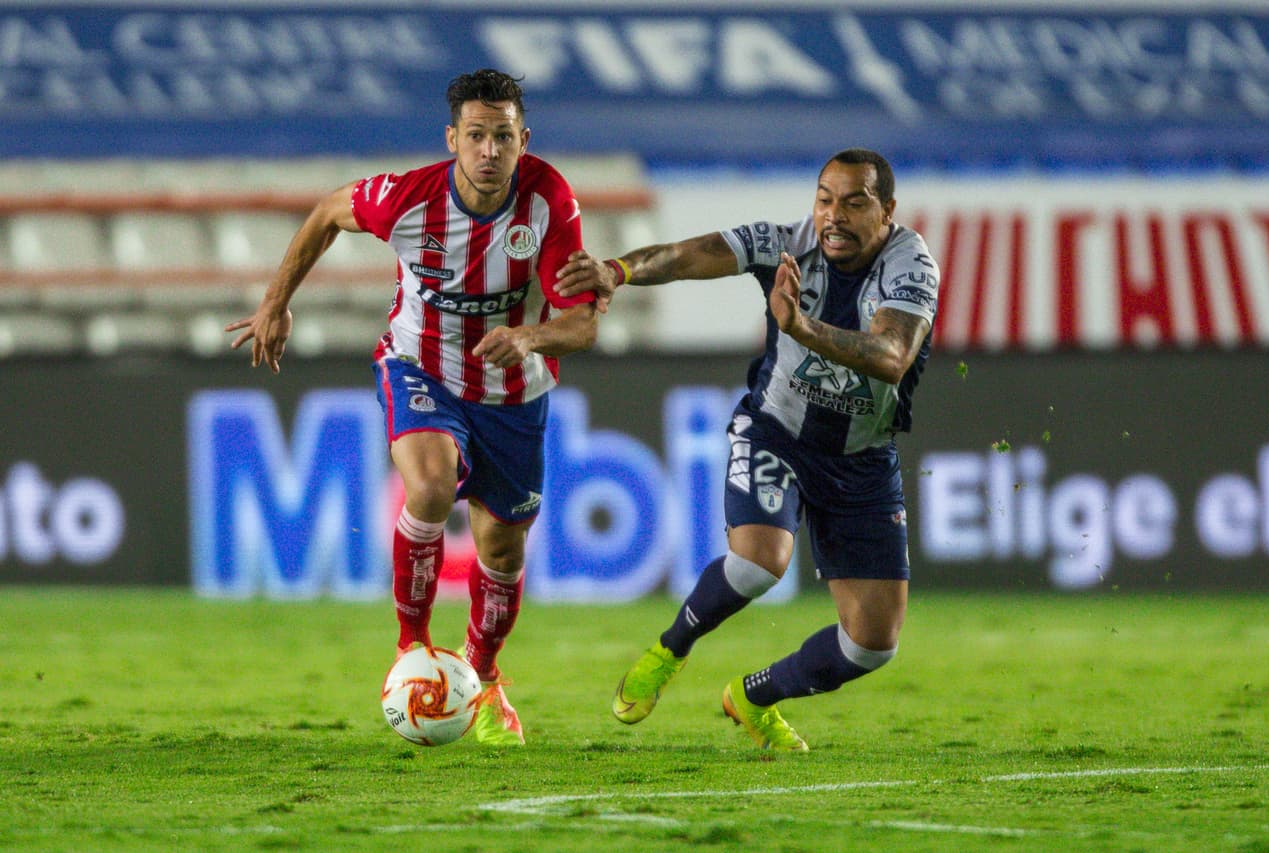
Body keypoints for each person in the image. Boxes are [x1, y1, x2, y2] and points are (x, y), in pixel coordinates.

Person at [226, 68, 598, 747]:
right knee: (429, 483)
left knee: (502, 546)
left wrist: (532, 335)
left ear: (524, 140)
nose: (490, 151)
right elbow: (327, 212)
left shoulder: (550, 201)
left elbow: (584, 321)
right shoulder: (406, 199)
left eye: (504, 138)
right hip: (418, 363)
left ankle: (483, 679)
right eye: (478, 136)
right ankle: (411, 647)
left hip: (514, 390)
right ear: (452, 138)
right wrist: (276, 301)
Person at [555, 148, 939, 751]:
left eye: (855, 202)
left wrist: (802, 328)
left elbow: (892, 357)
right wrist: (617, 271)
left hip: (862, 462)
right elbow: (684, 255)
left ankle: (754, 697)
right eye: (825, 198)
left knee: (871, 646)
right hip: (776, 432)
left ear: (887, 211)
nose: (834, 216)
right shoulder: (786, 242)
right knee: (761, 561)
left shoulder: (910, 263)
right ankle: (670, 649)